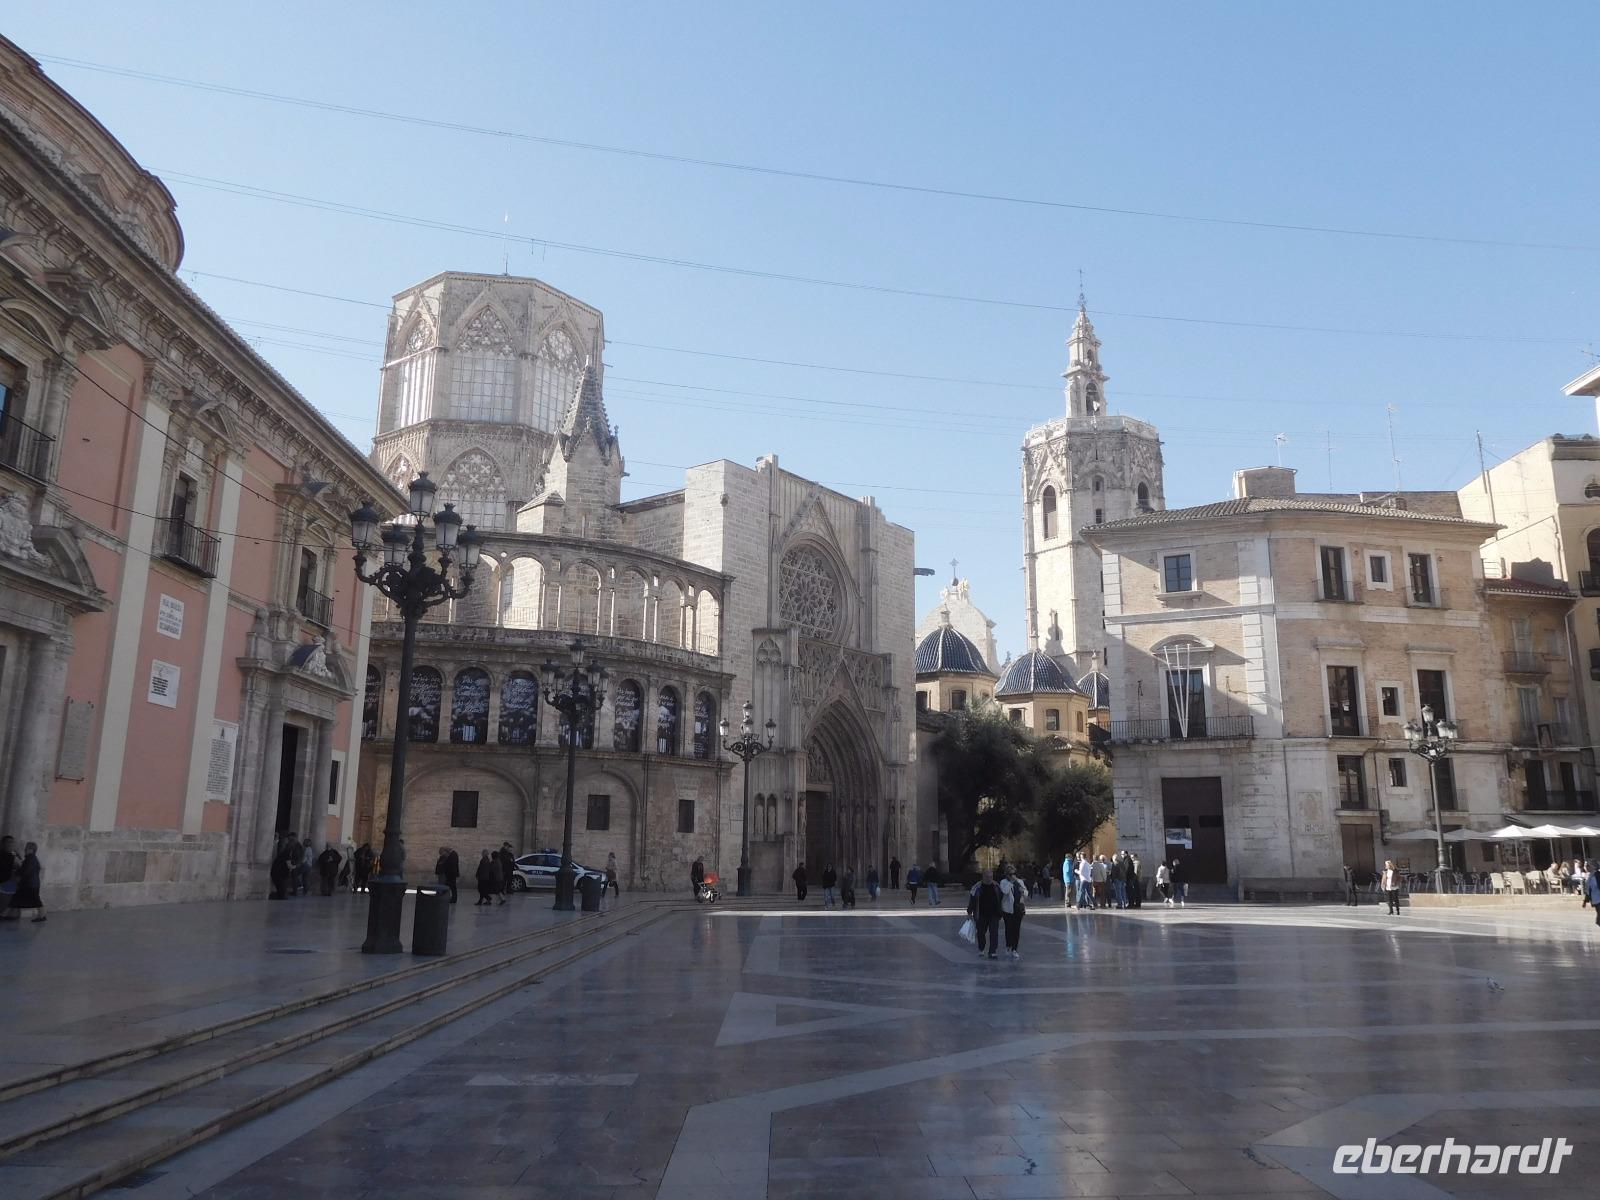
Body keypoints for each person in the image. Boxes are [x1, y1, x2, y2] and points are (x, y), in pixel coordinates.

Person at [967, 869, 1003, 959]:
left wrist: (1001, 912)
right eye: (987, 877)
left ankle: (993, 951)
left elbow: (1001, 898)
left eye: (991, 877)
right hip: (981, 914)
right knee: (980, 933)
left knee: (994, 932)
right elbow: (972, 900)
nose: (989, 879)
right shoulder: (977, 887)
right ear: (983, 877)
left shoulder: (996, 886)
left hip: (994, 914)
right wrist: (969, 912)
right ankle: (981, 948)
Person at [5, 842, 44, 923]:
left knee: (35, 901)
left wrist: (17, 872)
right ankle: (8, 914)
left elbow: (25, 871)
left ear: (31, 849)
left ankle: (6, 914)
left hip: (29, 884)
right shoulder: (31, 858)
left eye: (26, 848)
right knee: (18, 899)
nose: (25, 849)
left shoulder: (30, 859)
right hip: (32, 884)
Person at [999, 864, 1029, 959]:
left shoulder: (1019, 881)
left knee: (1016, 929)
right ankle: (1008, 946)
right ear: (1006, 875)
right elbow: (1005, 891)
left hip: (1018, 909)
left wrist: (1021, 890)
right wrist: (1011, 882)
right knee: (1009, 929)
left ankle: (1014, 949)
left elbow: (1026, 893)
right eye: (1010, 874)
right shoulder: (1003, 882)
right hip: (1008, 910)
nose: (1013, 875)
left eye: (1014, 873)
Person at [268, 836, 294, 900]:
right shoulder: (286, 853)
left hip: (278, 873)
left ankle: (280, 895)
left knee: (281, 886)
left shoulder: (284, 853)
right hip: (279, 873)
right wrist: (293, 867)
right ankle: (280, 896)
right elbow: (288, 863)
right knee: (281, 886)